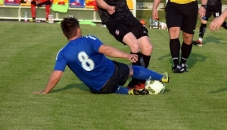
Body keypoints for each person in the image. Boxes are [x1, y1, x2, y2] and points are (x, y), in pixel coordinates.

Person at [34, 17, 169, 95]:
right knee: (131, 70)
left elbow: (57, 75)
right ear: (79, 30)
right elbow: (107, 50)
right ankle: (162, 78)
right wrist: (126, 55)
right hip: (114, 73)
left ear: (65, 34)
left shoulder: (62, 53)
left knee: (109, 86)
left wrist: (45, 91)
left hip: (98, 88)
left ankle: (129, 92)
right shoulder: (88, 39)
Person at [93, 0, 153, 89]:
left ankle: (139, 80)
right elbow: (99, 0)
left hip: (126, 15)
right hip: (112, 19)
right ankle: (138, 81)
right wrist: (108, 7)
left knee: (148, 47)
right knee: (134, 44)